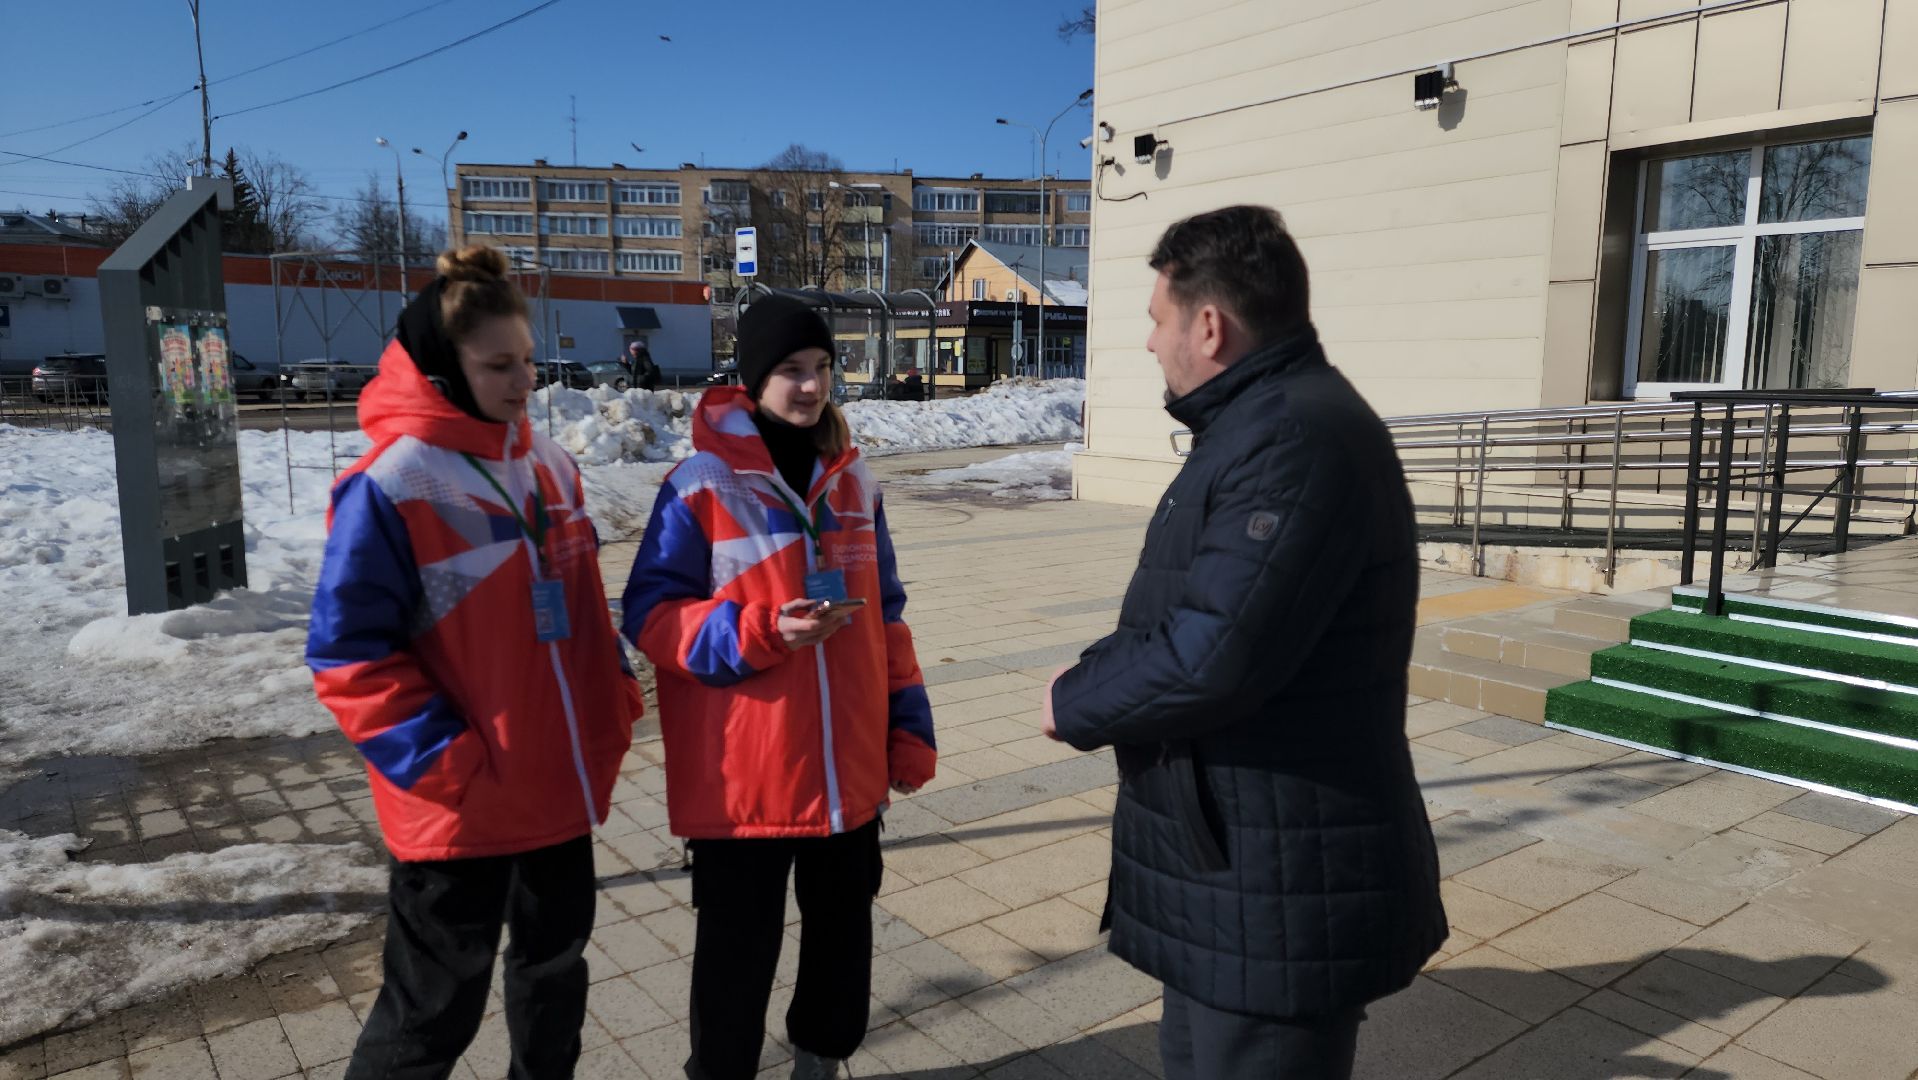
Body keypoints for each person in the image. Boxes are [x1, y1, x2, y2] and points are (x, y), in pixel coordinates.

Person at [1042, 206, 1445, 1080]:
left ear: (1210, 325)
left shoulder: (1291, 438)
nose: (1152, 342)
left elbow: (1211, 652)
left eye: (1157, 320)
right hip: (1237, 869)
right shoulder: (1260, 426)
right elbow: (1202, 612)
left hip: (1277, 881)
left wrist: (1073, 699)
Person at [307, 244, 645, 1080]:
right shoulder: (394, 484)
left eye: (528, 360)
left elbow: (579, 612)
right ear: (440, 368)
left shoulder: (550, 466)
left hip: (559, 790)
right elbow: (348, 654)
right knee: (429, 1016)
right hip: (460, 806)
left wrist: (615, 696)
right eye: (498, 364)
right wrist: (444, 763)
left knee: (554, 985)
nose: (524, 380)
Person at [621, 294, 937, 1080]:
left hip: (848, 768)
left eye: (822, 368)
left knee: (842, 936)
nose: (811, 386)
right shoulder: (701, 482)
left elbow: (887, 616)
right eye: (792, 370)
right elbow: (652, 617)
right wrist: (761, 633)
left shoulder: (855, 476)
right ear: (753, 376)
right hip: (748, 780)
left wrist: (909, 721)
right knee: (735, 956)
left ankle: (820, 1062)